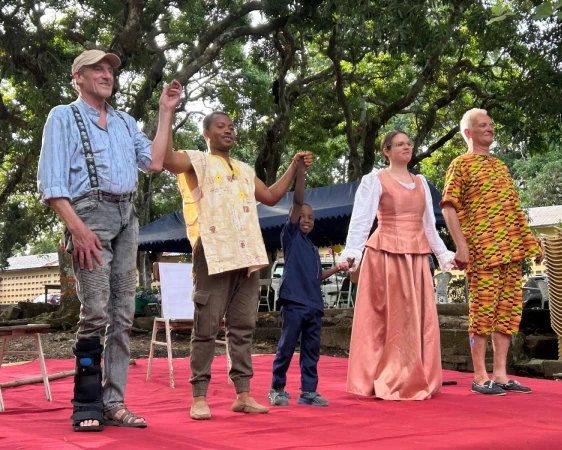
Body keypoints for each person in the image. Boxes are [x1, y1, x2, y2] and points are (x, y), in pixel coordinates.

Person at [37, 49, 182, 431]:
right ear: (78, 77)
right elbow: (52, 184)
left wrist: (165, 111)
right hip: (88, 216)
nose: (106, 74)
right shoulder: (63, 116)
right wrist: (77, 229)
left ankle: (114, 402)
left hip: (126, 218)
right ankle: (87, 402)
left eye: (109, 70)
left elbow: (154, 162)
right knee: (96, 311)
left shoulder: (124, 122)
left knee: (123, 315)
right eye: (96, 69)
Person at [151, 110, 313, 420]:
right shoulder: (197, 160)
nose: (228, 130)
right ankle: (199, 396)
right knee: (206, 328)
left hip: (247, 254)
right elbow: (167, 159)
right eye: (220, 126)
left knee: (242, 328)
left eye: (232, 126)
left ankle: (243, 394)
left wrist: (294, 167)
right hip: (213, 252)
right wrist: (167, 111)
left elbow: (271, 196)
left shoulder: (244, 170)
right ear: (206, 134)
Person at [338, 130, 455, 401]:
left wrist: (443, 254)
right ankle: (389, 377)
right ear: (386, 151)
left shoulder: (421, 182)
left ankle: (414, 374)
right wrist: (353, 251)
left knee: (416, 317)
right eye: (400, 144)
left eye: (408, 143)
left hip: (416, 257)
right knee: (389, 318)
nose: (406, 147)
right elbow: (362, 219)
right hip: (386, 256)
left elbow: (429, 225)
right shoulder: (375, 180)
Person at [440, 108, 544, 396]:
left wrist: (531, 243)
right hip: (482, 251)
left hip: (512, 253)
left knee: (508, 315)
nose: (489, 128)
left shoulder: (500, 167)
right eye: (482, 125)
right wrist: (461, 246)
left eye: (491, 124)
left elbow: (514, 210)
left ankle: (500, 374)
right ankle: (479, 376)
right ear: (468, 133)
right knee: (482, 313)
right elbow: (448, 207)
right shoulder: (460, 164)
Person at [267, 157, 340, 408]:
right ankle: (277, 388)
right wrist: (300, 173)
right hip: (294, 302)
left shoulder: (311, 248)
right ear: (294, 218)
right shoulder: (291, 237)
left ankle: (308, 391)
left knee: (311, 350)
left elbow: (316, 277)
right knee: (287, 346)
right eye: (302, 216)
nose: (306, 219)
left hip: (314, 306)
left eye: (311, 217)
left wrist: (338, 268)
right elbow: (298, 202)